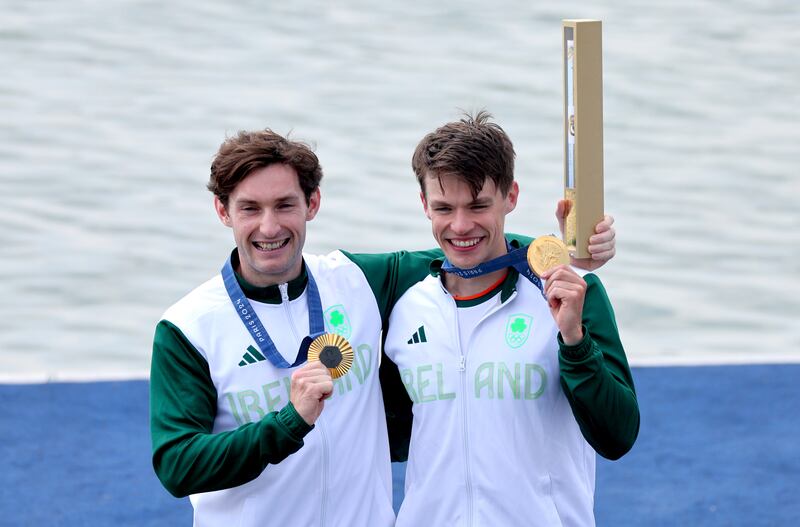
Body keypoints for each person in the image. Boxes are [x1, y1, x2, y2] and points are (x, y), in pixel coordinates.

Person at [149, 128, 618, 526]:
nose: (269, 227)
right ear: (222, 212)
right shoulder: (188, 327)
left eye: (285, 205)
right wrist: (287, 425)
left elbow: (469, 247)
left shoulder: (358, 281)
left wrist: (565, 252)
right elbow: (177, 464)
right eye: (250, 208)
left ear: (312, 203)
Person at [383, 111, 639, 527]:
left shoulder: (570, 293)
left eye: (479, 205)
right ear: (424, 204)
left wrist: (574, 340)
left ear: (511, 195)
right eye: (444, 207)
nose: (460, 225)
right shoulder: (406, 305)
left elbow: (618, 435)